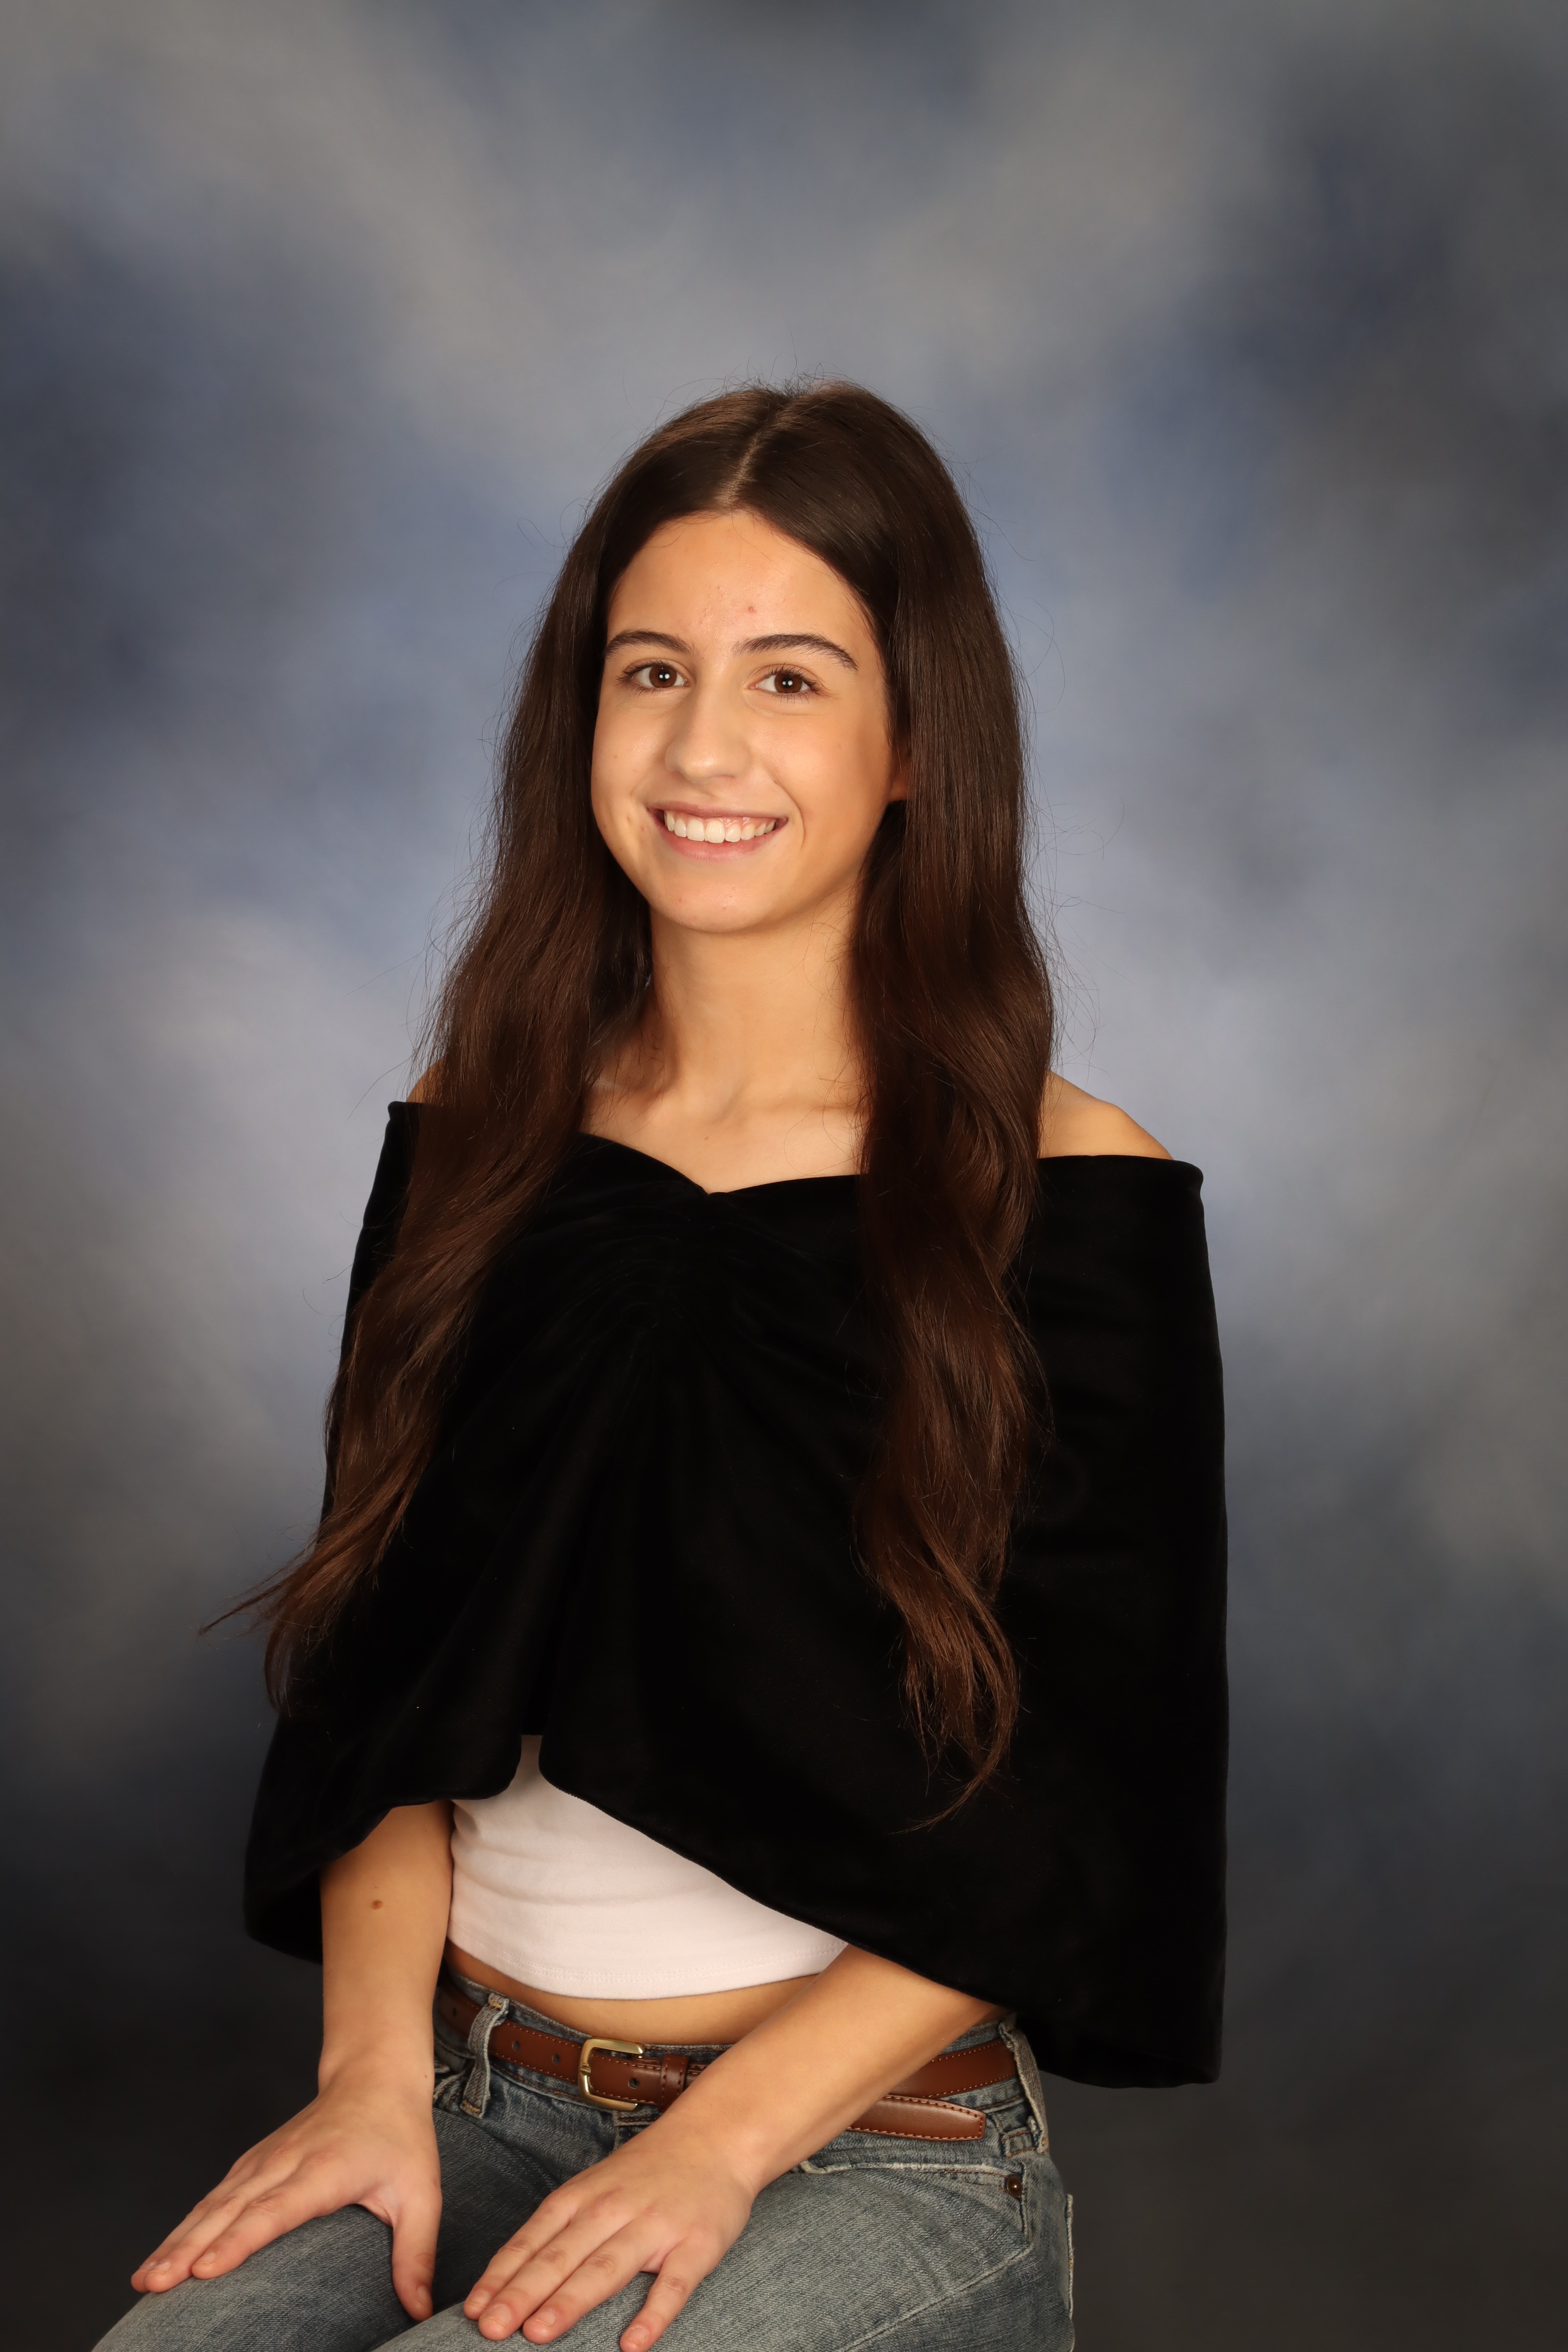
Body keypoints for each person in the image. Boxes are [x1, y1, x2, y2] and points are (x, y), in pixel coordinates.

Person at [99, 381, 1226, 2352]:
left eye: (789, 678)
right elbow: (385, 1668)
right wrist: (367, 2082)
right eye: (651, 672)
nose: (704, 747)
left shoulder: (1065, 1187)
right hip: (476, 2093)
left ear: (913, 743)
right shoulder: (478, 1133)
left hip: (876, 2147)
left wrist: (713, 2149)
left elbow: (1085, 1801)